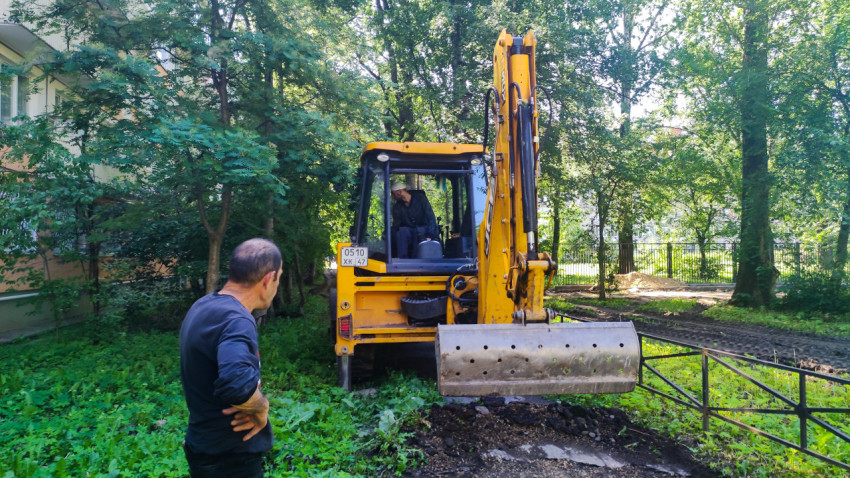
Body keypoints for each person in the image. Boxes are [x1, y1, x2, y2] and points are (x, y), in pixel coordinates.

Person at [179, 238, 282, 478]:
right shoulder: (236, 320)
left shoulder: (204, 306)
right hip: (230, 459)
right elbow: (236, 384)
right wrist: (261, 407)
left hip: (204, 446)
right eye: (279, 277)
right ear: (268, 279)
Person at [391, 181, 438, 258]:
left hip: (423, 231)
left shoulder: (421, 198)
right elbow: (396, 226)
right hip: (408, 233)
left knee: (419, 231)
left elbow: (431, 217)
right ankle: (402, 260)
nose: (393, 197)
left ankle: (417, 259)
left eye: (393, 194)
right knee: (402, 231)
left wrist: (430, 234)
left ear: (399, 192)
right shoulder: (397, 207)